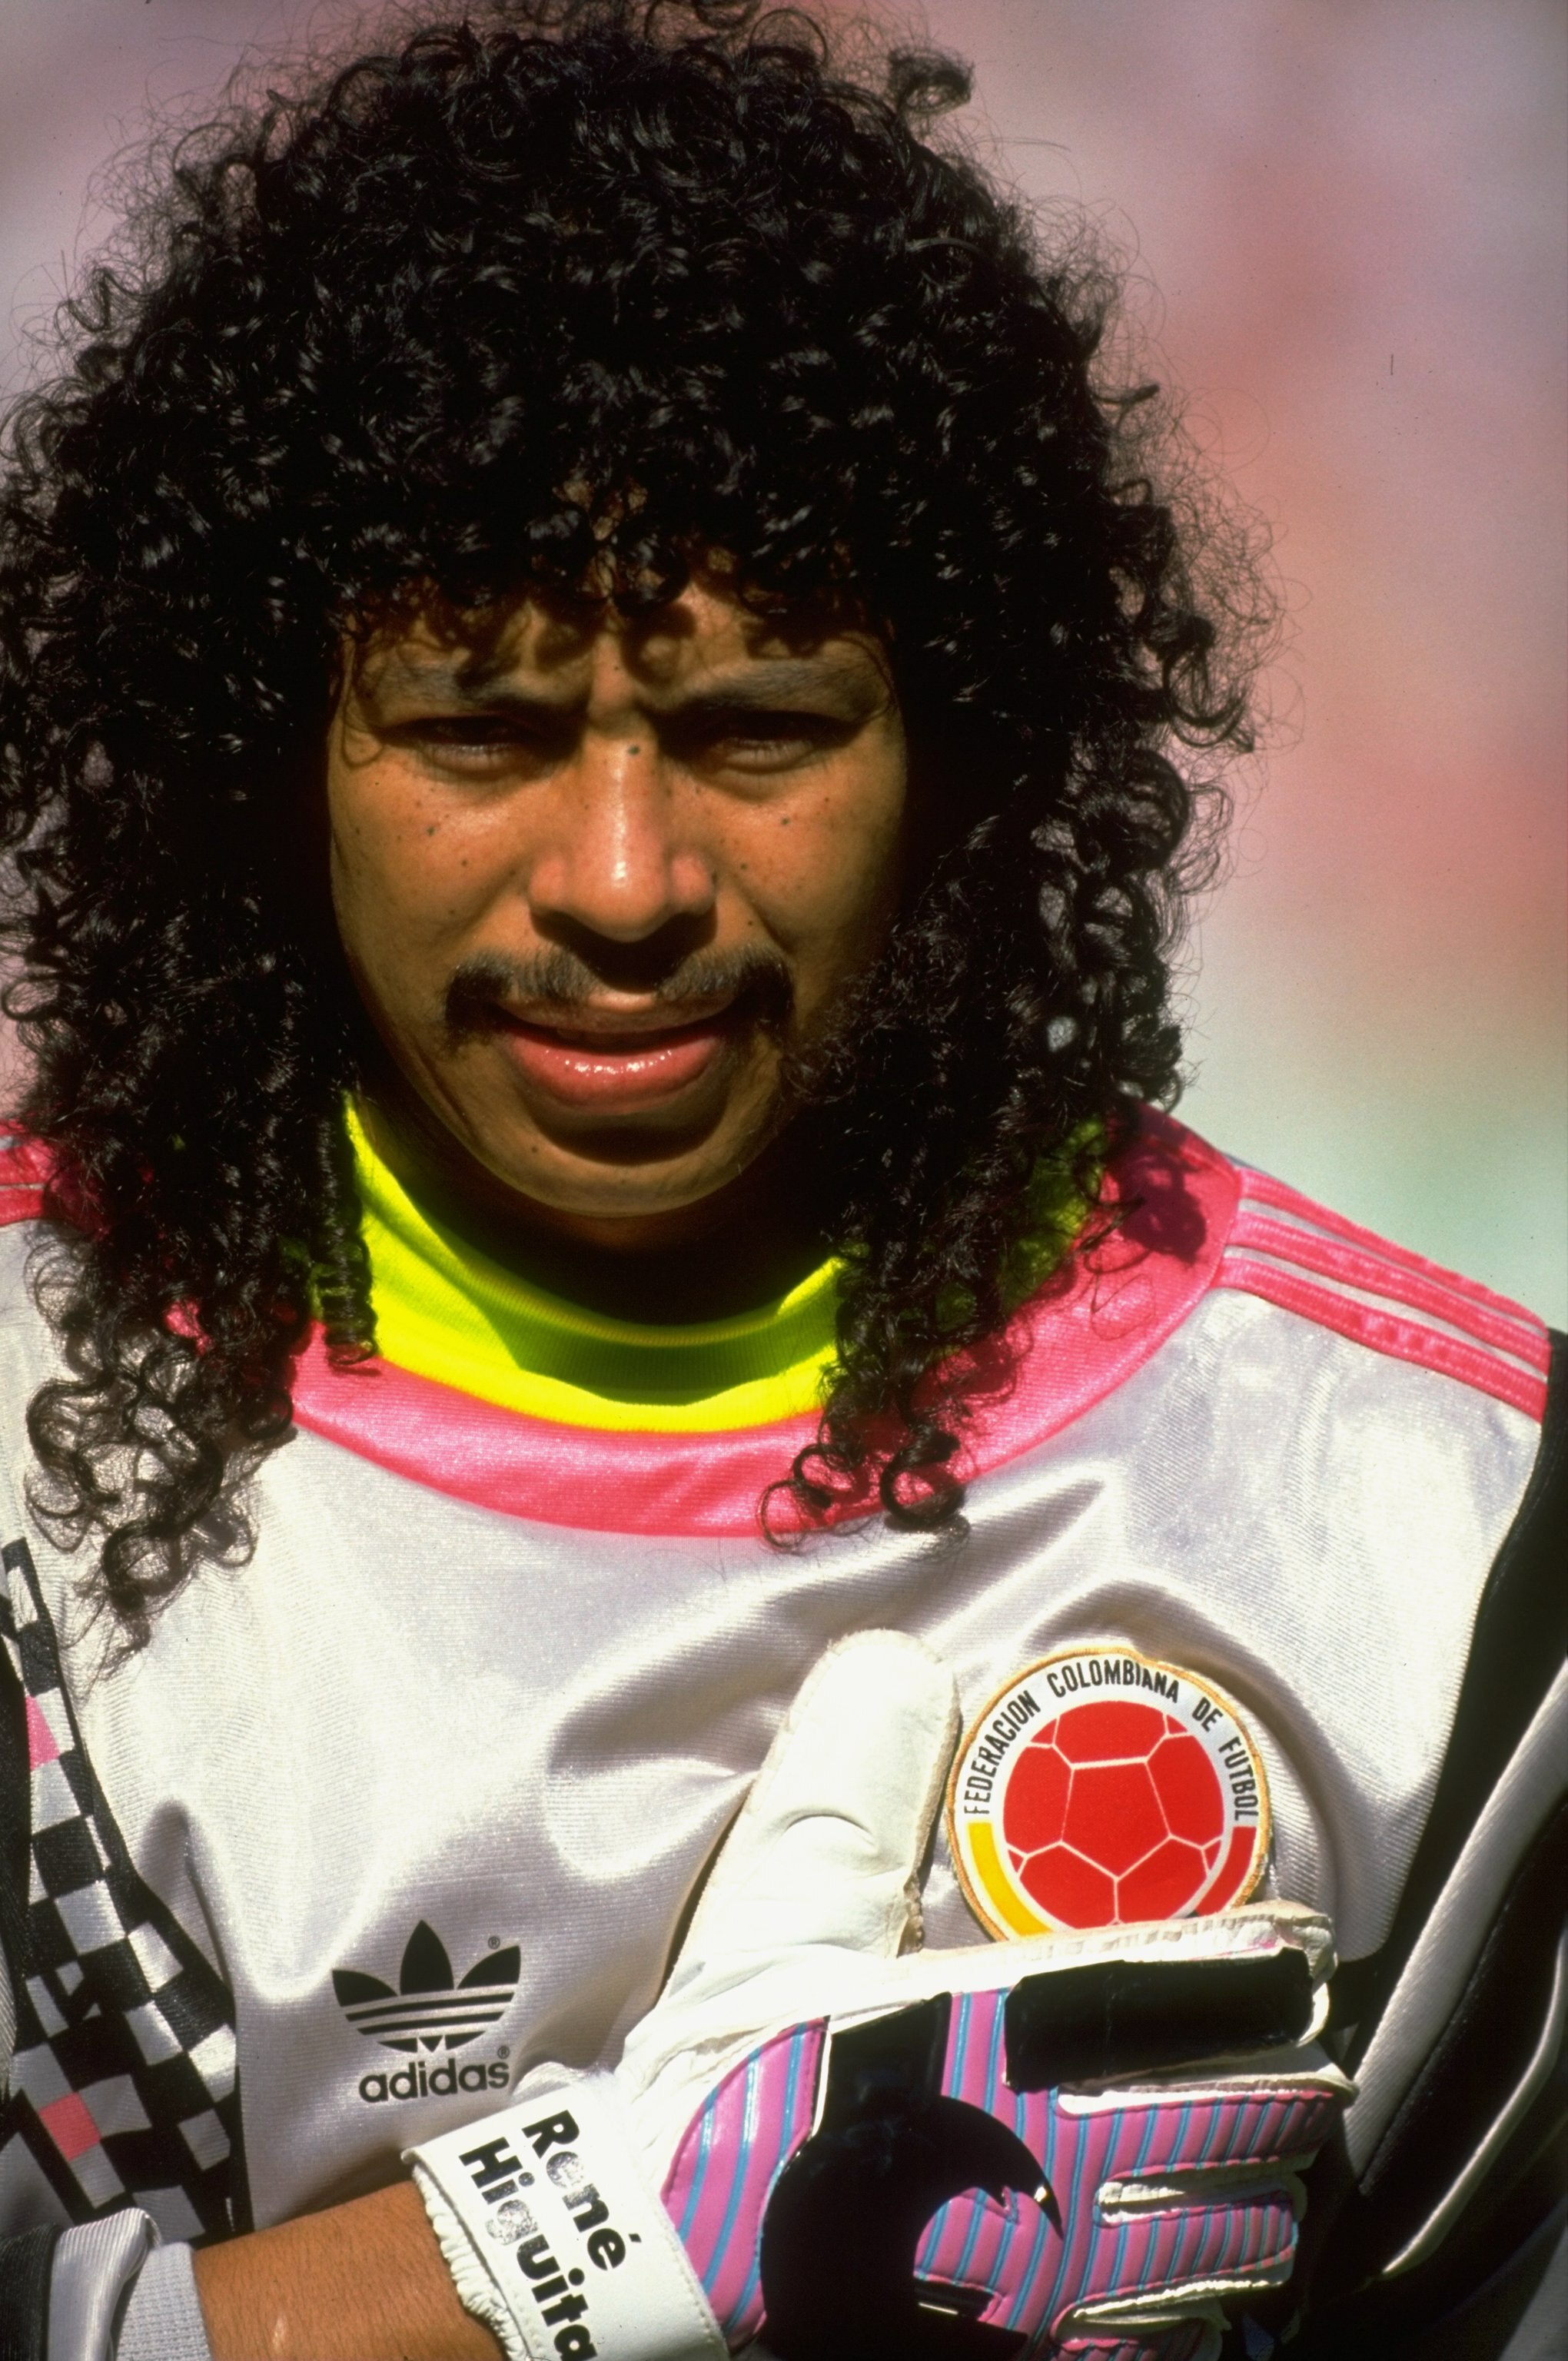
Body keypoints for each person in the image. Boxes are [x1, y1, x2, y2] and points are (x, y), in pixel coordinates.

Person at [0, 4, 1560, 2356]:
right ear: (269, 753)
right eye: (481, 730)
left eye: (757, 727)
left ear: (962, 744)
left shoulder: (1445, 1541)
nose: (624, 878)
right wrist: (616, 2236)